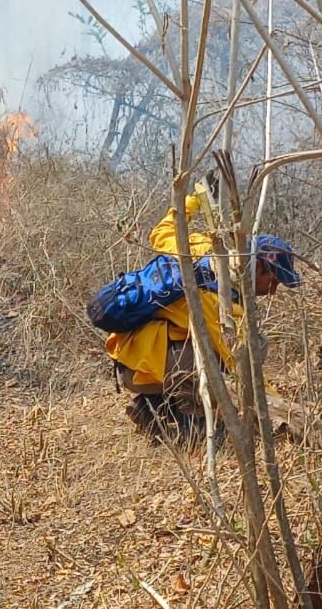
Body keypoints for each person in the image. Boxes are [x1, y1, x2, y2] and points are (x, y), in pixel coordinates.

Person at [105, 186, 302, 439]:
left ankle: (152, 408)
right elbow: (241, 368)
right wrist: (280, 410)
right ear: (259, 267)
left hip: (131, 354)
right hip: (139, 369)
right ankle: (187, 425)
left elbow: (162, 233)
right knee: (216, 366)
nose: (273, 291)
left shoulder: (202, 249)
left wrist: (193, 200)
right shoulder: (219, 301)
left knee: (244, 346)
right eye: (273, 281)